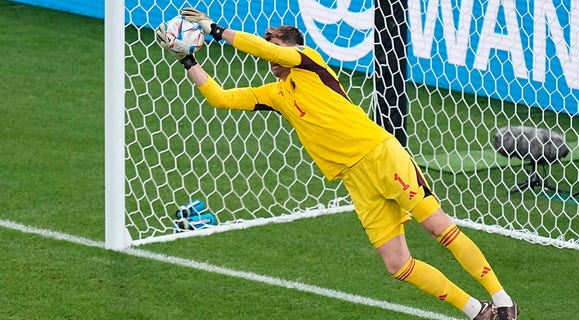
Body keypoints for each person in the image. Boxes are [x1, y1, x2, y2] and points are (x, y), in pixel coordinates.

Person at [156, 7, 519, 320]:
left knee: (440, 228)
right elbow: (220, 98)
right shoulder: (276, 94)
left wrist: (216, 30)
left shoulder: (309, 63)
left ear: (293, 47)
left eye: (275, 46)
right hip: (355, 181)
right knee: (398, 265)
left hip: (380, 154)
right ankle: (477, 310)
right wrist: (188, 59)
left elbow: (269, 50)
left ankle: (503, 301)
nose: (270, 55)